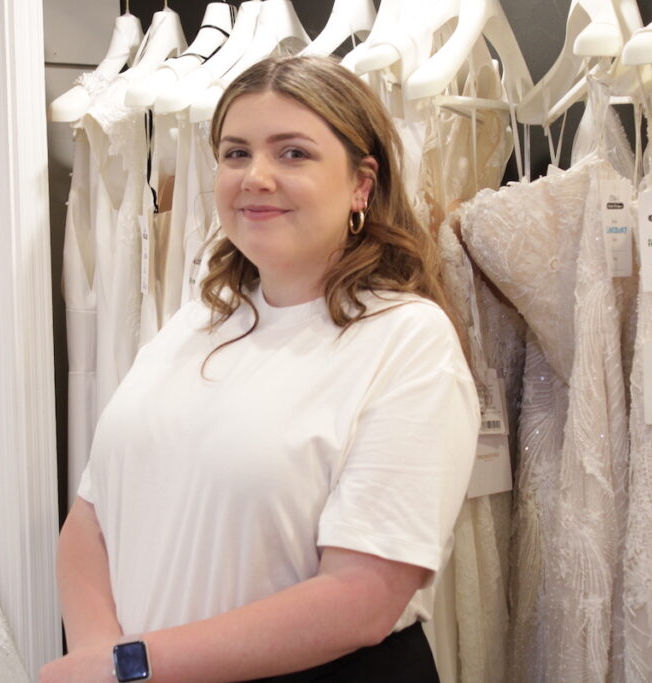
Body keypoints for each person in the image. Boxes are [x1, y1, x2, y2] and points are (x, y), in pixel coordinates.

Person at [40, 55, 479, 683]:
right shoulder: (194, 323)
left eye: (293, 153)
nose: (256, 177)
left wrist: (128, 665)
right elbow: (91, 516)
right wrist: (103, 658)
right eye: (236, 153)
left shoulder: (404, 340)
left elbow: (361, 599)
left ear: (361, 183)